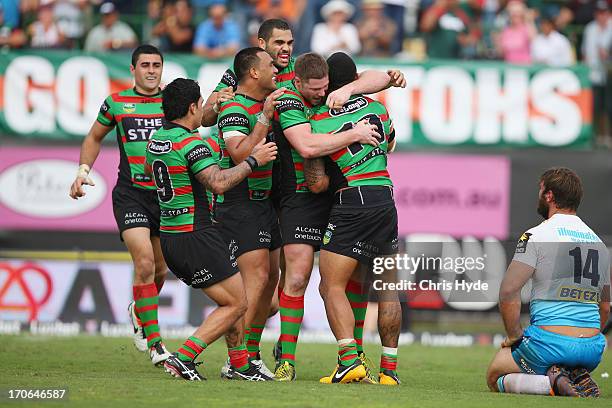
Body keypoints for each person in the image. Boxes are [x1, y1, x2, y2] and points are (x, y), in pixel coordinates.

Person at [146, 77, 278, 381]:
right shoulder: (192, 143)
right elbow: (218, 183)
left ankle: (240, 364)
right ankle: (185, 356)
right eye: (202, 103)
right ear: (193, 107)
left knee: (231, 300)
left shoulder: (156, 141)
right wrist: (253, 161)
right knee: (238, 303)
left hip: (171, 236)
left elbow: (145, 172)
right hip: (196, 234)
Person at [271, 52, 387, 382]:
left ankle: (355, 356)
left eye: (326, 88)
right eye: (316, 90)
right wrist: (353, 134)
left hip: (342, 199)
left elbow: (381, 78)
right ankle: (287, 360)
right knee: (296, 276)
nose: (321, 95)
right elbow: (309, 156)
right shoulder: (289, 100)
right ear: (298, 82)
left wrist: (350, 89)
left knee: (354, 281)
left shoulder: (334, 96)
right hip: (302, 200)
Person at [69, 45, 171, 366]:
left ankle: (138, 309)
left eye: (156, 64)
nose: (151, 70)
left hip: (165, 197)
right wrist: (83, 171)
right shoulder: (117, 103)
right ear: (132, 69)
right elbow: (93, 137)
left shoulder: (172, 102)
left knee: (160, 270)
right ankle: (156, 345)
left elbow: (195, 131)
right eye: (145, 65)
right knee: (143, 264)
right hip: (131, 194)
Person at [305, 52, 401, 385]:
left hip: (353, 199)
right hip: (385, 197)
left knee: (330, 285)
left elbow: (317, 182)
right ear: (356, 78)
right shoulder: (378, 108)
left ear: (329, 82)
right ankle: (389, 371)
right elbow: (390, 145)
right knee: (388, 291)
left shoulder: (319, 118)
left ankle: (349, 361)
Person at [486, 167, 609, 397]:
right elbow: (605, 306)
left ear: (549, 195)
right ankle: (573, 374)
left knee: (494, 376)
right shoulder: (600, 244)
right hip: (592, 350)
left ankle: (552, 383)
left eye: (540, 190)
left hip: (549, 346)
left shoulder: (536, 235)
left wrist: (514, 336)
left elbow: (508, 292)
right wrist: (585, 338)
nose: (539, 196)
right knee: (563, 355)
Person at [215, 47, 287, 378]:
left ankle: (248, 353)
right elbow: (238, 152)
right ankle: (237, 362)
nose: (277, 67)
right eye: (271, 64)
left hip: (264, 203)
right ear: (254, 73)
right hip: (239, 202)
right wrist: (263, 120)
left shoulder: (266, 101)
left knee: (270, 295)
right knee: (254, 283)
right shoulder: (233, 107)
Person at [582, 1, 612, 146]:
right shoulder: (590, 28)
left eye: (604, 13)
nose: (601, 16)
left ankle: (608, 135)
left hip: (609, 74)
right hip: (593, 74)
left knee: (609, 106)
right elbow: (585, 51)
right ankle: (597, 136)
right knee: (595, 106)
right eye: (599, 13)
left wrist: (608, 55)